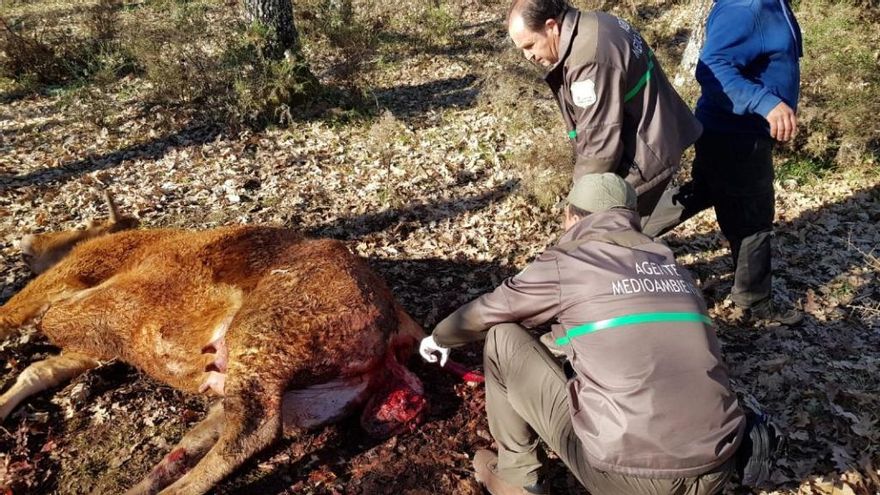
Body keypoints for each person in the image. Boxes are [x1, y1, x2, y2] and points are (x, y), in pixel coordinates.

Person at [420, 173, 748, 495]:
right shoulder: (673, 268)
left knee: (501, 338)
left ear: (571, 216)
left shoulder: (568, 263)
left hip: (632, 477)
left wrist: (439, 337)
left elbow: (489, 311)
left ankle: (519, 477)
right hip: (718, 464)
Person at [650, 0, 804, 325]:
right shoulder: (747, 7)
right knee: (753, 217)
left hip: (727, 129)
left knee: (704, 191)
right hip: (736, 133)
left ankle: (621, 228)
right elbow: (712, 65)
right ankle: (754, 304)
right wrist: (766, 103)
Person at [505, 0, 701, 231]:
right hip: (656, 132)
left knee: (605, 236)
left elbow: (598, 143)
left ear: (551, 26)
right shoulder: (595, 22)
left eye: (530, 45)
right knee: (632, 227)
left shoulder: (588, 61)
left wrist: (579, 207)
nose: (528, 57)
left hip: (644, 151)